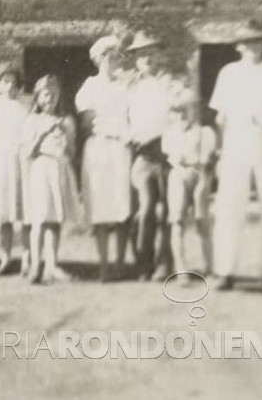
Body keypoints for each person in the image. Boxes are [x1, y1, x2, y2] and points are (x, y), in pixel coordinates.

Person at [208, 20, 262, 292]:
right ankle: (225, 271)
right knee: (229, 205)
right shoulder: (228, 73)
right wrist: (219, 152)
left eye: (259, 41)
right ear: (239, 46)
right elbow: (219, 117)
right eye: (249, 42)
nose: (254, 46)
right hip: (236, 140)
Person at [75, 35, 132, 282]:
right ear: (97, 59)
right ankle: (104, 264)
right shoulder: (89, 86)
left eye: (115, 56)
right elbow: (87, 122)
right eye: (106, 56)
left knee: (122, 204)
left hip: (121, 147)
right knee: (100, 207)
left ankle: (120, 262)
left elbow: (132, 114)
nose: (111, 60)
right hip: (99, 149)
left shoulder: (127, 85)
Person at [125, 30, 180, 280]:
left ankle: (165, 262)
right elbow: (124, 119)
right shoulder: (131, 87)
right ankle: (143, 262)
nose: (147, 58)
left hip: (167, 153)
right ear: (135, 59)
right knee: (145, 209)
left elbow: (177, 116)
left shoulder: (171, 84)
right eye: (141, 54)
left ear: (160, 56)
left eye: (151, 53)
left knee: (169, 209)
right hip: (143, 155)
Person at [21, 75, 83, 284]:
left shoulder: (67, 120)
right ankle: (35, 265)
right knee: (39, 218)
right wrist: (42, 134)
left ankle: (52, 264)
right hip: (41, 168)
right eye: (46, 94)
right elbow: (28, 152)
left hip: (60, 167)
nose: (51, 99)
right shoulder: (32, 120)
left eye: (54, 94)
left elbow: (73, 153)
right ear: (38, 98)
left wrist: (66, 138)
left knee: (55, 219)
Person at [162, 89, 216, 280]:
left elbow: (205, 161)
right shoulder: (170, 133)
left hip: (199, 175)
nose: (182, 114)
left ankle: (210, 267)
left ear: (195, 109)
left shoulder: (205, 132)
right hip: (178, 176)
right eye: (178, 110)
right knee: (176, 222)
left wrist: (202, 182)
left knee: (202, 221)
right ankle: (181, 269)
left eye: (187, 109)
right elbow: (172, 157)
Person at [0, 62, 29, 276]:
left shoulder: (26, 103)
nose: (9, 86)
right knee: (4, 212)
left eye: (13, 82)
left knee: (25, 211)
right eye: (5, 81)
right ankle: (6, 257)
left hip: (22, 158)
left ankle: (29, 258)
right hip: (1, 158)